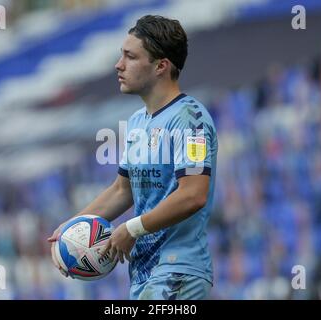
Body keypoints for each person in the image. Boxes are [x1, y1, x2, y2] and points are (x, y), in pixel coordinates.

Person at [48, 14, 218, 300]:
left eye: (130, 56)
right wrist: (70, 229)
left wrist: (131, 228)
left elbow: (193, 195)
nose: (119, 64)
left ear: (161, 66)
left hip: (178, 273)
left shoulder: (192, 120)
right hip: (144, 275)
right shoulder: (138, 122)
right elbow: (121, 190)